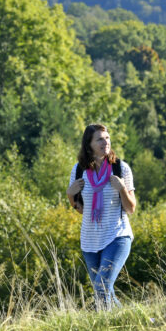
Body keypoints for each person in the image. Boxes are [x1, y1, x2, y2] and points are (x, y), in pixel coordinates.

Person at [67, 124, 136, 310]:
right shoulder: (79, 170)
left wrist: (121, 188)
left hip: (117, 236)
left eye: (107, 138)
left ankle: (113, 326)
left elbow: (131, 208)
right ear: (88, 145)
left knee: (102, 287)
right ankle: (129, 323)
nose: (105, 142)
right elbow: (82, 209)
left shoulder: (121, 168)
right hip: (90, 241)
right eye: (99, 139)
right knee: (104, 292)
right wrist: (70, 195)